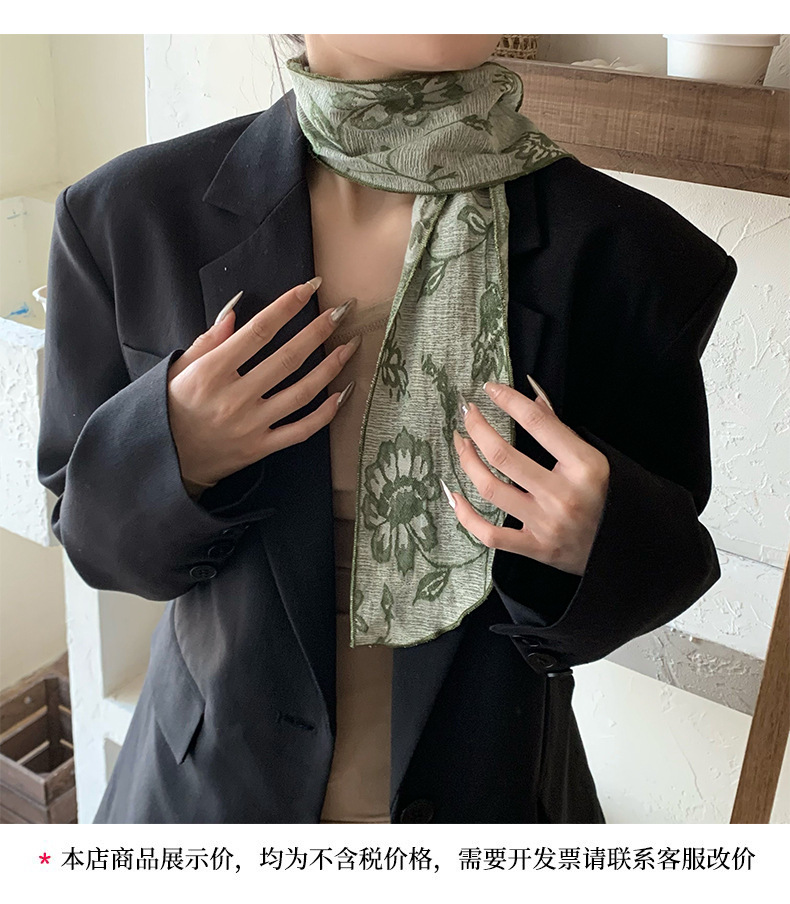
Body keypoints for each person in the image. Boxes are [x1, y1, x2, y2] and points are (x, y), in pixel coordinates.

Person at [37, 34, 737, 824]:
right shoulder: (131, 217)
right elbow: (90, 539)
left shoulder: (630, 254)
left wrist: (598, 541)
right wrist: (172, 449)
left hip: (495, 803)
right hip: (208, 799)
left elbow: (668, 563)